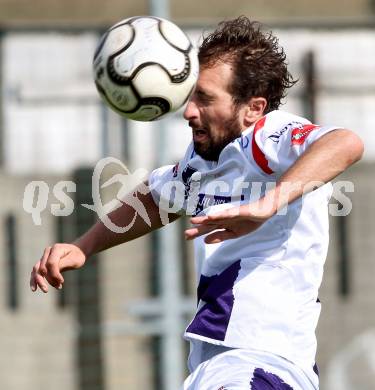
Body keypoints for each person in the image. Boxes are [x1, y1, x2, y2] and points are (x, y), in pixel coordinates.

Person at [30, 16, 364, 389]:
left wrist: (267, 205)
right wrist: (83, 247)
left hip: (257, 358)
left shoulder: (268, 136)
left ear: (253, 108)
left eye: (204, 98)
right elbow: (157, 197)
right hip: (225, 359)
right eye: (189, 95)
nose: (188, 111)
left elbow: (345, 143)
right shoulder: (204, 158)